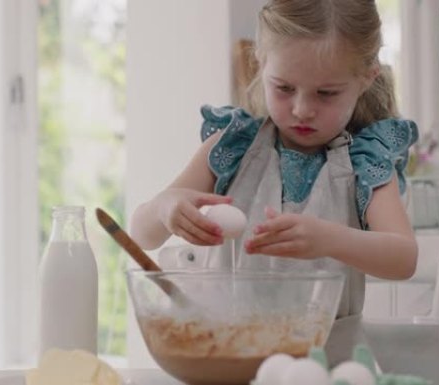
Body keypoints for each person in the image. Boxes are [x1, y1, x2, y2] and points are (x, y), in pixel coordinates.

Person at [130, 0, 418, 365]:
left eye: (326, 93)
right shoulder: (231, 147)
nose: (301, 109)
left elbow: (403, 258)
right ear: (261, 63)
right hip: (230, 364)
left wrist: (328, 238)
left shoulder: (366, 160)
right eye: (284, 87)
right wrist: (165, 208)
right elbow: (141, 234)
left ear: (366, 78)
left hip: (328, 370)